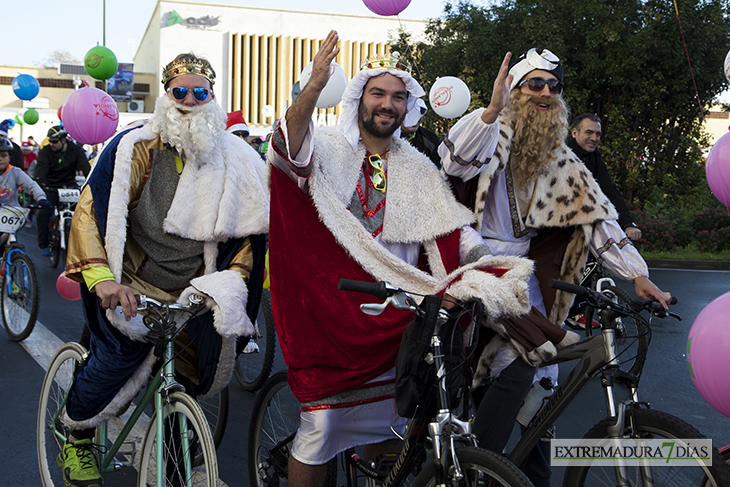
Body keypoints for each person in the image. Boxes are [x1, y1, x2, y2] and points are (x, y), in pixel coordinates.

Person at [268, 31, 569, 487]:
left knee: (395, 429)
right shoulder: (327, 146)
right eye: (378, 94)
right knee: (320, 431)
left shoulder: (417, 165)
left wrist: (483, 262)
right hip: (337, 314)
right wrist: (313, 86)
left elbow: (452, 227)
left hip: (404, 319)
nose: (388, 104)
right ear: (359, 100)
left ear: (408, 107)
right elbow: (290, 151)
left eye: (398, 97)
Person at [440, 47, 671, 486]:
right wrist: (491, 108)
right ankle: (478, 469)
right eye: (535, 84)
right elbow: (453, 161)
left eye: (553, 86)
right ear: (515, 90)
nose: (546, 93)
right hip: (476, 265)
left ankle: (527, 474)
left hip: (525, 277)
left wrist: (637, 275)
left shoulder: (558, 157)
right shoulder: (490, 134)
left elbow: (595, 216)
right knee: (523, 358)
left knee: (541, 382)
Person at [57, 52, 270, 487]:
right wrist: (103, 281)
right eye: (180, 92)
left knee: (190, 378)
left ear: (212, 98)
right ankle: (75, 434)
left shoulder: (237, 157)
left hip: (196, 287)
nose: (190, 101)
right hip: (133, 283)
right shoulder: (133, 148)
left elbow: (251, 231)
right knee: (115, 362)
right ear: (166, 96)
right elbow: (92, 213)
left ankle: (175, 454)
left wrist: (234, 281)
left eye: (200, 92)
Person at [567, 113, 641, 240]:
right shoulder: (558, 152)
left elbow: (609, 190)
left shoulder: (595, 157)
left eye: (598, 134)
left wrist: (628, 224)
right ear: (574, 133)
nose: (594, 138)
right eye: (589, 132)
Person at [34, 125, 91, 255]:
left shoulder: (76, 150)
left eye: (54, 141)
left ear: (63, 140)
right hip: (51, 186)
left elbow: (85, 167)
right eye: (50, 141)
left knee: (82, 213)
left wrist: (91, 181)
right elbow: (41, 168)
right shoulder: (45, 152)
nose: (51, 144)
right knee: (43, 212)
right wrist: (40, 181)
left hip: (69, 186)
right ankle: (43, 244)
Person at [0, 138, 51, 210]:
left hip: (12, 213)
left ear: (9, 157)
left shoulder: (15, 172)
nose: (0, 159)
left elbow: (31, 185)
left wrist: (41, 198)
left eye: (3, 155)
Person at [400, 99, 442, 168]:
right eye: (410, 114)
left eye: (420, 112)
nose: (415, 118)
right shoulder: (387, 137)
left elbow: (440, 170)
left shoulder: (430, 138)